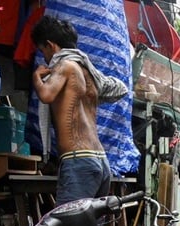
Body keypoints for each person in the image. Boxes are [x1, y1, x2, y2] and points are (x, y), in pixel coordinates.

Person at [30, 16, 127, 205]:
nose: (44, 58)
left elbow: (46, 95)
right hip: (100, 161)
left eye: (43, 51)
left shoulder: (65, 66)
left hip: (79, 161)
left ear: (51, 45)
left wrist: (36, 76)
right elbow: (121, 89)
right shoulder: (89, 74)